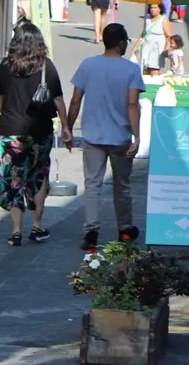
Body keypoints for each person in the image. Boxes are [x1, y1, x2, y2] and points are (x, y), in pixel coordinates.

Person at [66, 24, 146, 251]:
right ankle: (125, 230)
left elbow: (75, 100)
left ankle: (91, 232)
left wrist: (68, 128)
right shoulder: (131, 70)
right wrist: (137, 136)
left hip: (92, 135)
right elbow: (132, 104)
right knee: (122, 185)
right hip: (120, 136)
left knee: (92, 184)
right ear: (121, 43)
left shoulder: (87, 65)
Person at [0, 23, 67, 246]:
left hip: (11, 131)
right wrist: (66, 127)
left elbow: (1, 100)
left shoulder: (5, 68)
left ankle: (16, 231)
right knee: (39, 176)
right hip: (40, 130)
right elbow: (58, 100)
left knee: (13, 178)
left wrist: (5, 119)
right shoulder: (47, 67)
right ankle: (37, 226)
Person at [137, 3, 173, 76]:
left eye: (155, 8)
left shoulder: (164, 20)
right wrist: (135, 46)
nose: (152, 9)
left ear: (160, 9)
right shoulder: (147, 19)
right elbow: (143, 34)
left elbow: (169, 36)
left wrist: (166, 49)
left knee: (154, 69)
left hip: (157, 48)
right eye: (151, 8)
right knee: (144, 69)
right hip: (146, 47)